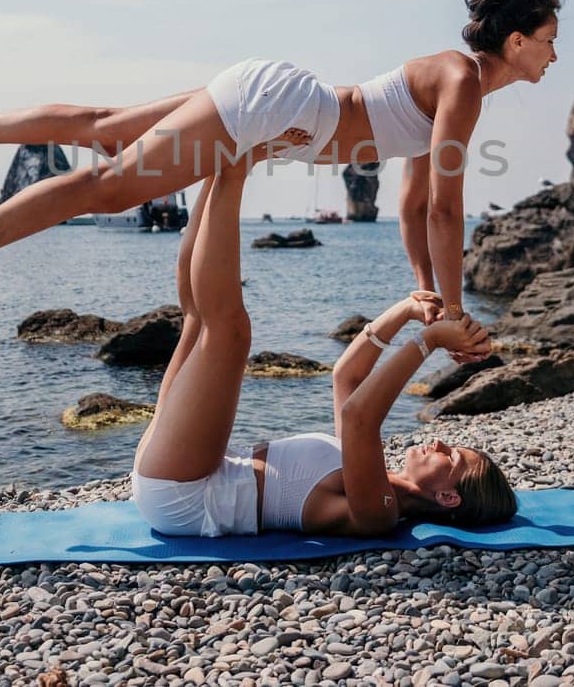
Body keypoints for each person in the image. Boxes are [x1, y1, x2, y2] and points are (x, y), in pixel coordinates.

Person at [0, 0, 562, 321]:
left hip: (279, 98)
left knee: (105, 126)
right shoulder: (464, 83)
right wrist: (450, 310)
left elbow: (416, 205)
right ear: (516, 39)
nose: (554, 54)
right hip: (281, 108)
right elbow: (445, 210)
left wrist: (426, 291)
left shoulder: (450, 77)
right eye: (550, 39)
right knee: (110, 187)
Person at [129, 155, 515, 536]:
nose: (440, 442)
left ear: (448, 498)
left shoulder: (380, 510)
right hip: (187, 468)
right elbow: (346, 377)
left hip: (187, 494)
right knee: (197, 321)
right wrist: (405, 311)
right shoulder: (375, 472)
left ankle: (236, 162)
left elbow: (359, 418)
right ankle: (221, 157)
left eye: (453, 457)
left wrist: (428, 341)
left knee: (229, 333)